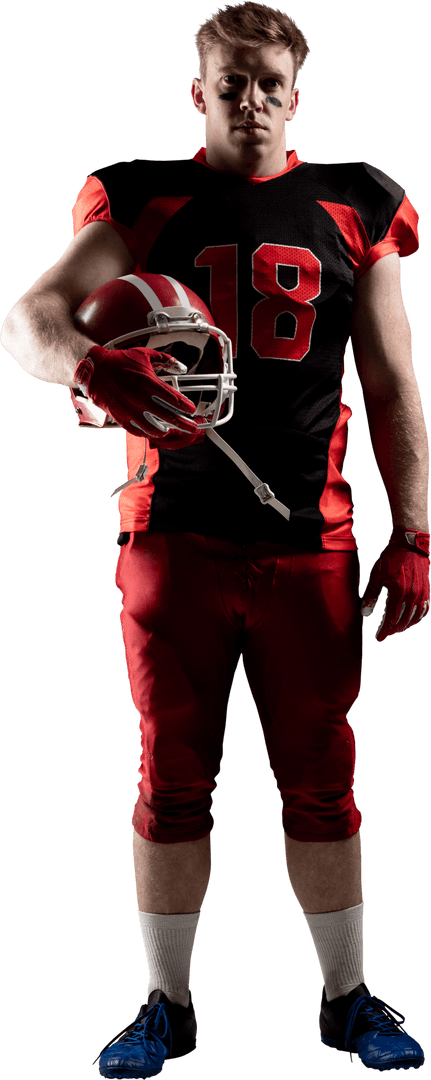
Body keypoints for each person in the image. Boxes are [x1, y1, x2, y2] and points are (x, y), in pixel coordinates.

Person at [1, 2, 429, 1076]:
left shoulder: (354, 202)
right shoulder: (143, 197)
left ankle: (344, 999)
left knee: (321, 784)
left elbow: (388, 384)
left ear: (297, 94)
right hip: (174, 534)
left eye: (268, 83)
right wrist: (88, 364)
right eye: (229, 83)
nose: (250, 101)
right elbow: (30, 320)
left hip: (309, 537)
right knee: (170, 780)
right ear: (199, 93)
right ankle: (167, 1005)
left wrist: (413, 528)